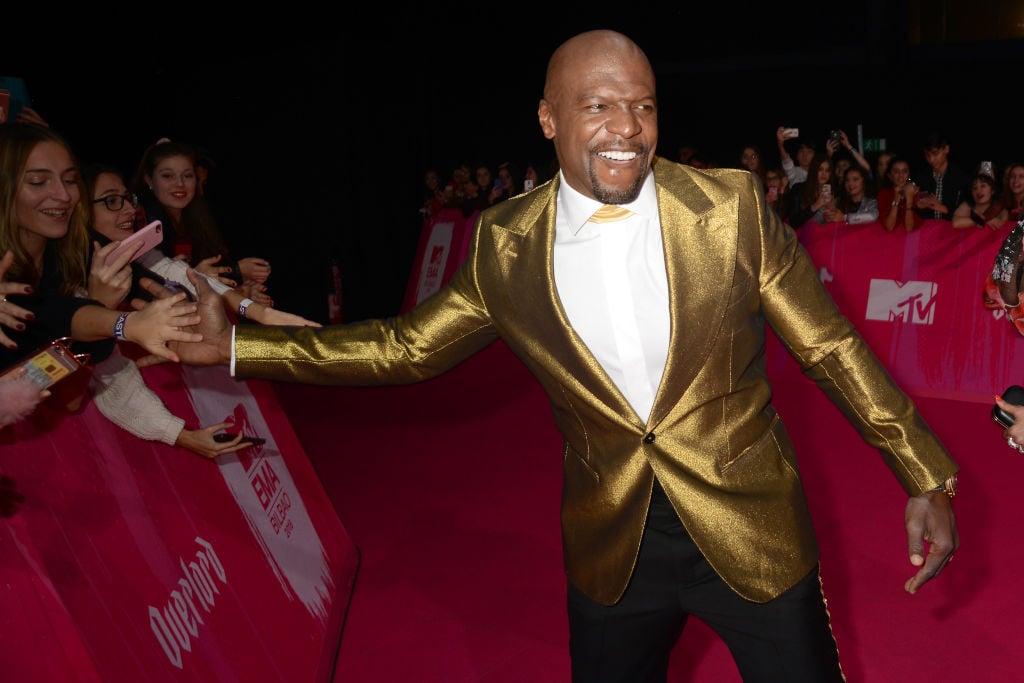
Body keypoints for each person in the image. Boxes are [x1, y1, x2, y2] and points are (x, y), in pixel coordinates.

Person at [167, 30, 959, 683]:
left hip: (752, 527)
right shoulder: (505, 248)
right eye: (600, 105)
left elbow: (828, 344)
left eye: (643, 106)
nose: (628, 127)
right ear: (549, 119)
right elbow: (403, 349)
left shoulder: (731, 208)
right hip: (612, 549)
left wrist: (920, 467)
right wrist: (241, 345)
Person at [0, 122, 200, 373]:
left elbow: (155, 287)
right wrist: (117, 319)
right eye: (39, 182)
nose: (63, 195)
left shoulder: (77, 246)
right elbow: (56, 393)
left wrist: (238, 328)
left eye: (71, 180)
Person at [912, 131, 970, 222]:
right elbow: (909, 182)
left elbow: (968, 211)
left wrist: (940, 207)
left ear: (946, 149)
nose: (931, 159)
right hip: (927, 230)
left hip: (952, 230)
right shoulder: (922, 175)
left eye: (935, 154)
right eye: (927, 155)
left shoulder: (960, 177)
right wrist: (916, 202)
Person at [876, 156, 920, 232]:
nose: (901, 175)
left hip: (912, 239)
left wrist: (909, 198)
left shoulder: (917, 192)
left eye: (904, 171)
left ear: (909, 175)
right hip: (891, 239)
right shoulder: (883, 194)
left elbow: (909, 228)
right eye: (896, 172)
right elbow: (889, 226)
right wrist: (896, 198)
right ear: (890, 176)